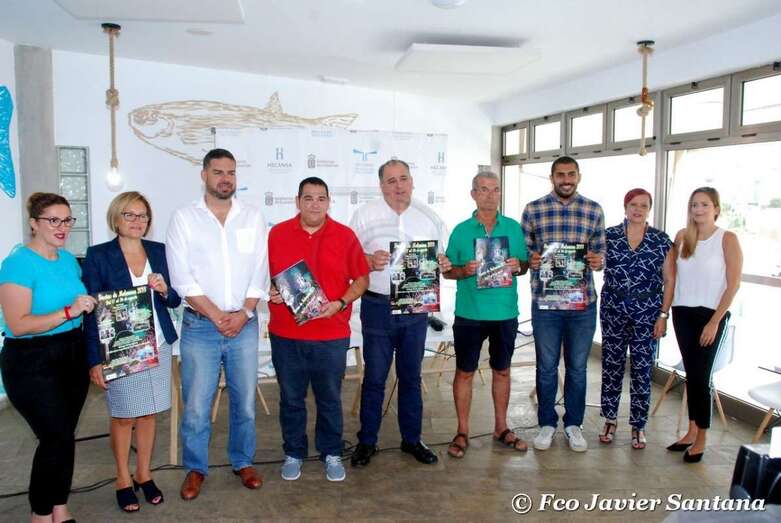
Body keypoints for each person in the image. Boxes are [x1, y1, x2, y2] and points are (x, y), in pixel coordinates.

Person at [166, 148, 269, 499]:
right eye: (218, 172)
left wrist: (243, 314)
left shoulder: (252, 217)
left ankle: (243, 461)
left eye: (231, 172)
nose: (225, 178)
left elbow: (260, 270)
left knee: (245, 404)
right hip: (199, 326)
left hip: (244, 324)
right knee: (196, 405)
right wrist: (217, 316)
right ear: (204, 175)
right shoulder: (184, 218)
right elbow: (182, 278)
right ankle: (195, 468)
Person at [82, 191, 182, 512]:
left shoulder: (159, 251)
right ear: (116, 218)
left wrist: (166, 290)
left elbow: (175, 300)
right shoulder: (98, 255)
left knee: (149, 411)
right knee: (124, 415)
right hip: (122, 348)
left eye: (143, 216)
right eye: (130, 215)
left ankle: (144, 473)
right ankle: (123, 478)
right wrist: (94, 359)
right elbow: (91, 313)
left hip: (159, 344)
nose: (137, 221)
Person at [0, 193, 96, 523]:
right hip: (31, 360)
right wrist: (68, 311)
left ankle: (59, 506)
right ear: (33, 224)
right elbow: (18, 323)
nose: (62, 227)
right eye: (53, 220)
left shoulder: (69, 260)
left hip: (71, 353)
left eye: (67, 220)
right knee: (53, 436)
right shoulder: (17, 264)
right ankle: (40, 514)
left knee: (65, 435)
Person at [349, 159, 452, 467]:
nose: (398, 186)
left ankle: (412, 439)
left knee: (411, 376)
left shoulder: (429, 216)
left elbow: (443, 257)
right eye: (391, 180)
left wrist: (444, 263)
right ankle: (367, 441)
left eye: (403, 179)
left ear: (412, 181)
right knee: (375, 378)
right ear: (381, 185)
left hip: (415, 307)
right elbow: (347, 257)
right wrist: (367, 259)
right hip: (377, 305)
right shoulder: (364, 215)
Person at [267, 177, 369, 482]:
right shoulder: (277, 234)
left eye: (321, 198)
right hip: (286, 334)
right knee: (291, 398)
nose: (314, 204)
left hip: (331, 334)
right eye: (308, 198)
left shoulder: (345, 235)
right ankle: (294, 452)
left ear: (328, 202)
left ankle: (331, 452)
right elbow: (266, 278)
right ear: (297, 201)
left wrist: (340, 302)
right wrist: (271, 291)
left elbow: (362, 280)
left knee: (329, 398)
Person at [521, 156, 605, 452]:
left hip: (582, 305)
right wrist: (529, 259)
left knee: (578, 368)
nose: (565, 179)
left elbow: (599, 253)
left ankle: (573, 424)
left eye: (571, 174)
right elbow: (524, 252)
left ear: (578, 176)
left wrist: (598, 261)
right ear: (552, 177)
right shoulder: (533, 209)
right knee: (546, 367)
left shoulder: (593, 210)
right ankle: (546, 423)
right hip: (546, 304)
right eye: (560, 174)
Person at [443, 171, 529, 458]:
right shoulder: (461, 231)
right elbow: (448, 271)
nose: (490, 195)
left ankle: (501, 427)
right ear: (473, 194)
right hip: (470, 312)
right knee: (465, 372)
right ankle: (463, 430)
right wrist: (462, 271)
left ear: (499, 193)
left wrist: (520, 264)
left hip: (505, 311)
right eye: (483, 189)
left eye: (495, 190)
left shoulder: (513, 228)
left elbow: (525, 264)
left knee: (502, 370)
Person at [667, 187, 742, 463]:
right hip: (682, 313)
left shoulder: (727, 239)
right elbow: (671, 276)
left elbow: (733, 284)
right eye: (694, 205)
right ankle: (691, 430)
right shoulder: (682, 237)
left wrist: (714, 321)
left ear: (716, 209)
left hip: (710, 315)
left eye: (704, 205)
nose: (698, 210)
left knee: (702, 376)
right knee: (692, 373)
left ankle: (701, 438)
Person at [598, 188, 675, 450]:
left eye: (643, 205)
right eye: (633, 204)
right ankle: (609, 418)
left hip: (648, 311)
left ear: (649, 209)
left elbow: (669, 279)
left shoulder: (661, 240)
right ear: (625, 207)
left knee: (642, 368)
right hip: (613, 308)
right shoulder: (609, 236)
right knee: (611, 364)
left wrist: (664, 315)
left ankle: (638, 425)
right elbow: (595, 264)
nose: (638, 209)